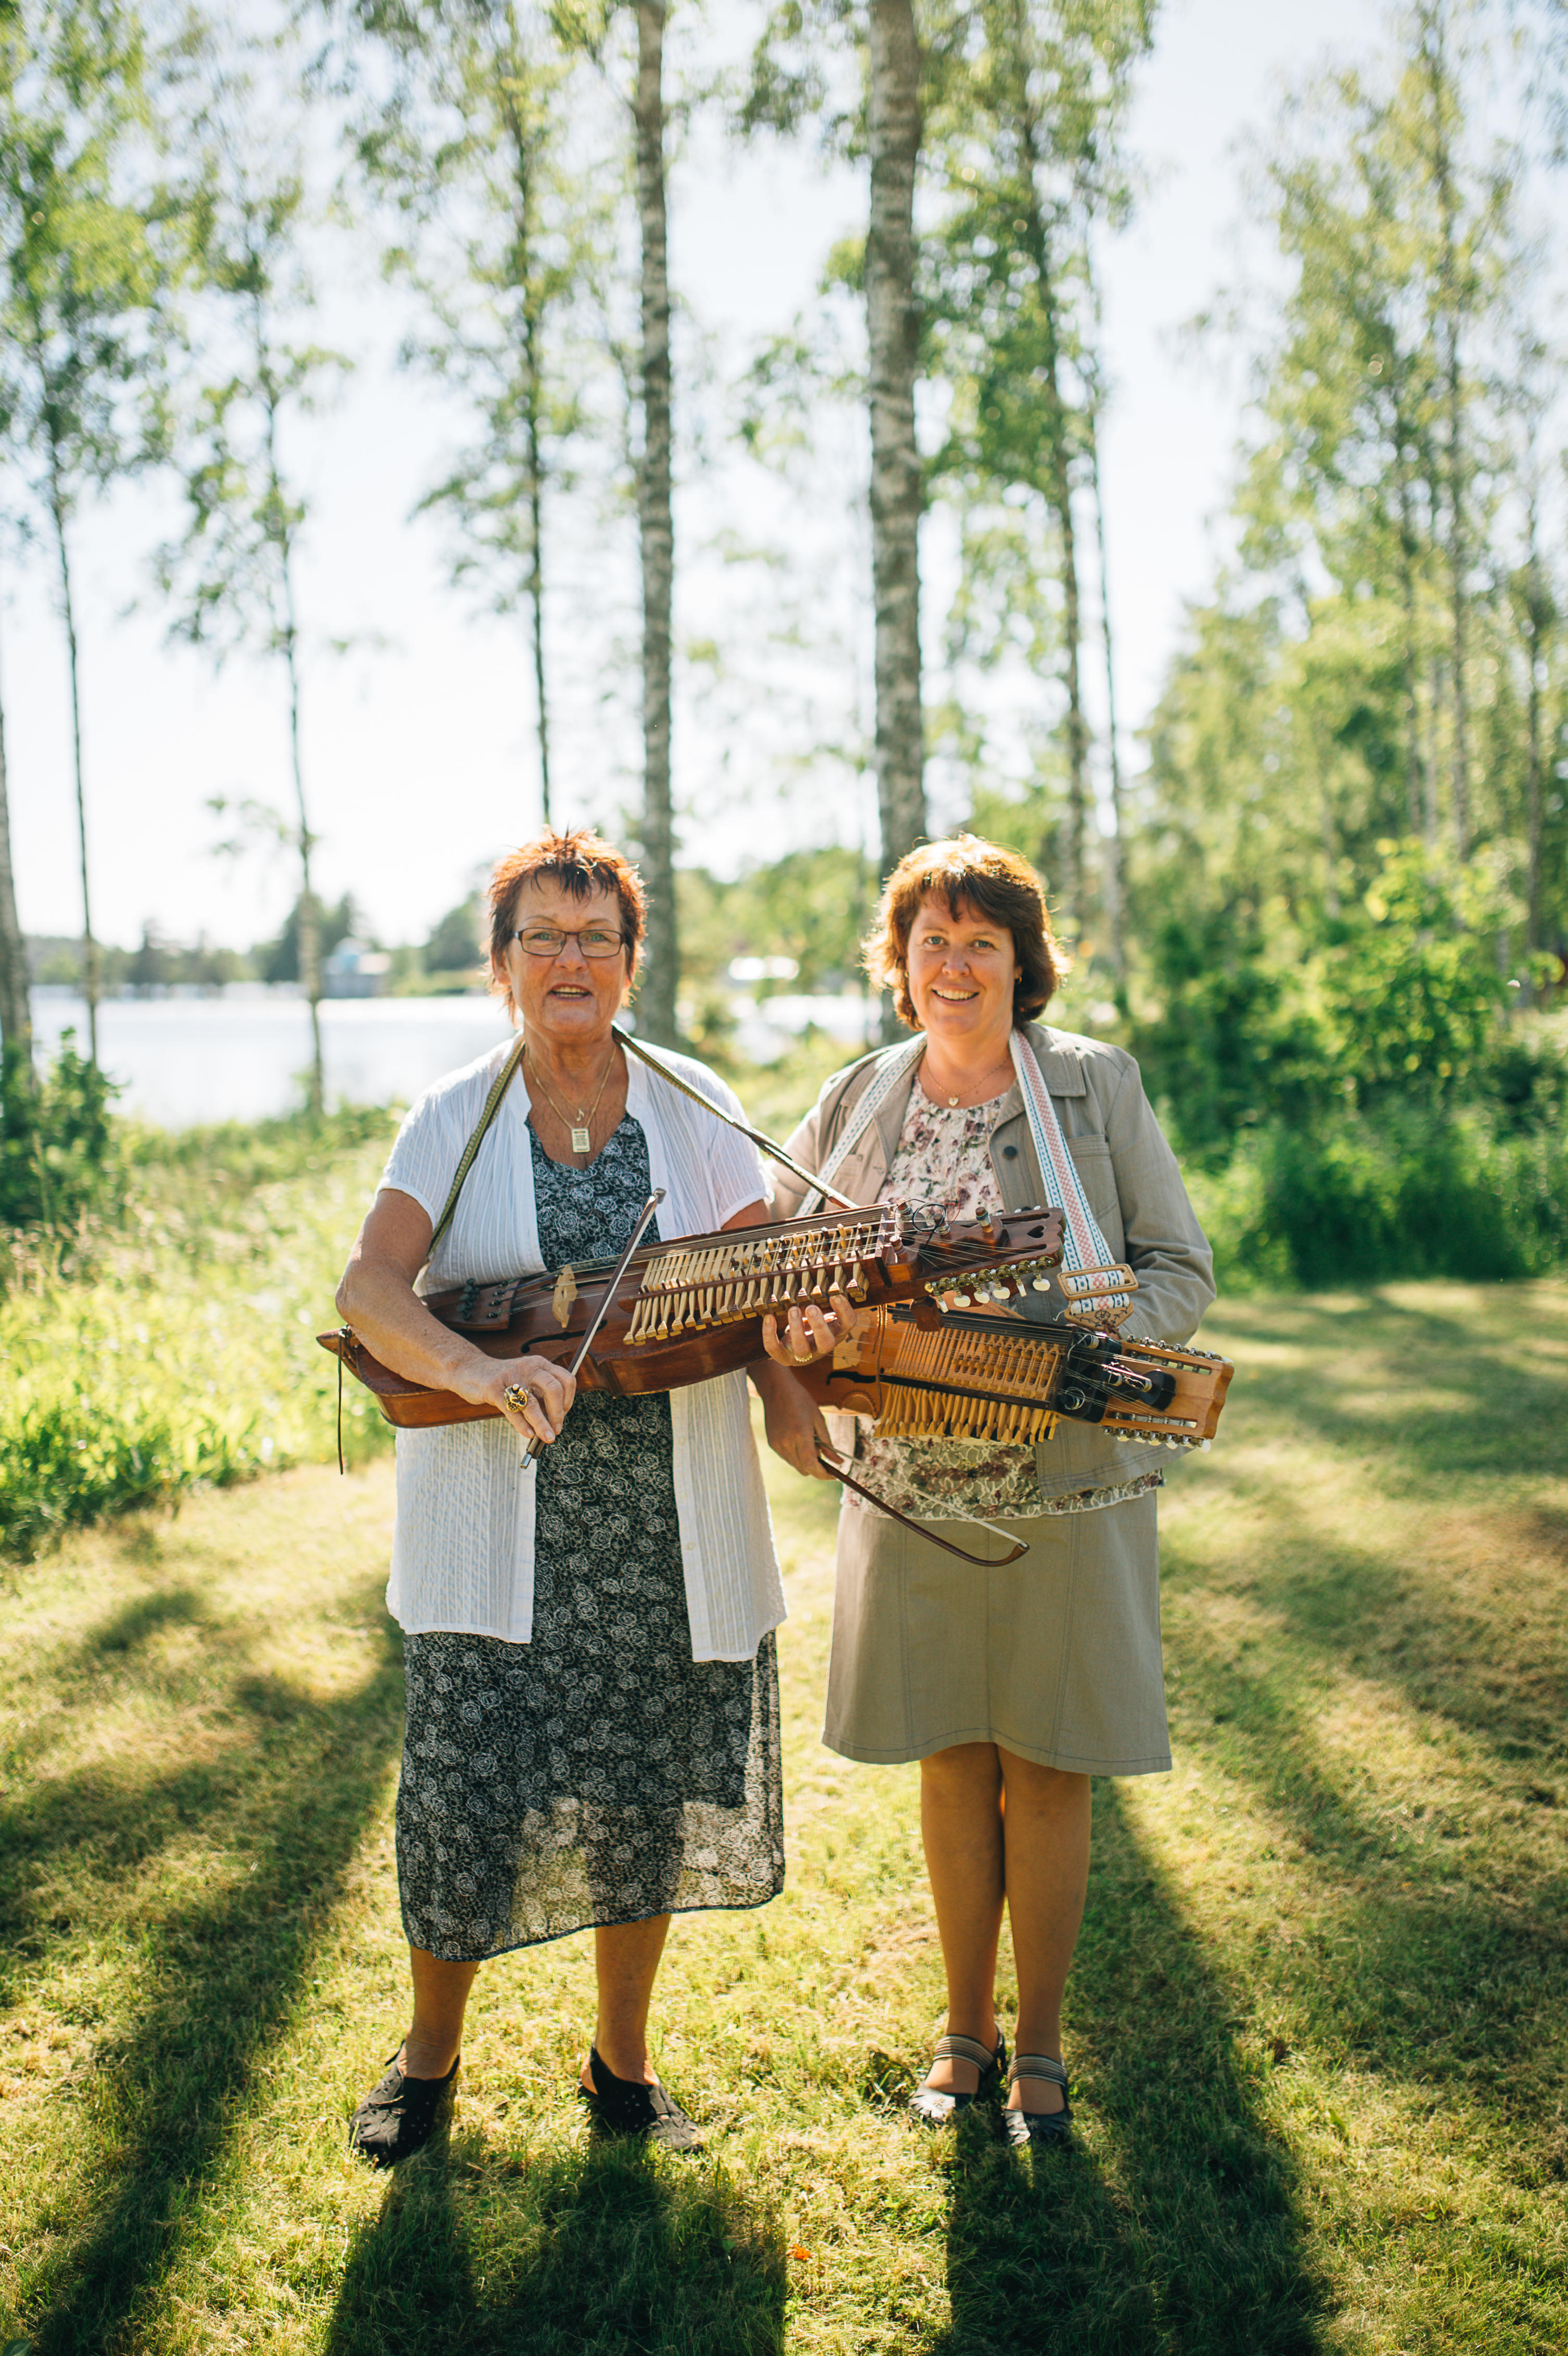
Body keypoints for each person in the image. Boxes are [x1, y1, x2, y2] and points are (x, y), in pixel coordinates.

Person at [336, 827, 845, 2164]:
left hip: (662, 1528)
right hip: (492, 1526)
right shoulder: (455, 1111)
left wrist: (798, 1408)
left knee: (642, 1796)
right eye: (543, 938)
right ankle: (428, 2060)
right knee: (461, 1795)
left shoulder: (693, 1096)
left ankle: (621, 2065)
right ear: (501, 964)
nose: (571, 960)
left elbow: (761, 1285)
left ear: (629, 961)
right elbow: (367, 1291)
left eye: (596, 938)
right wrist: (479, 1365)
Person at [758, 834, 1215, 2147]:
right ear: (898, 968)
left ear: (1024, 965)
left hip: (1064, 1484)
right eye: (930, 942)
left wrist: (1085, 1349)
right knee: (954, 1759)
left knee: (1051, 1764)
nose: (954, 965)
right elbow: (775, 1256)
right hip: (910, 1485)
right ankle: (962, 2027)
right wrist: (795, 1344)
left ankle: (1044, 2043)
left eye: (981, 942)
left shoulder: (1093, 1085)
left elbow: (1177, 1264)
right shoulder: (858, 1097)